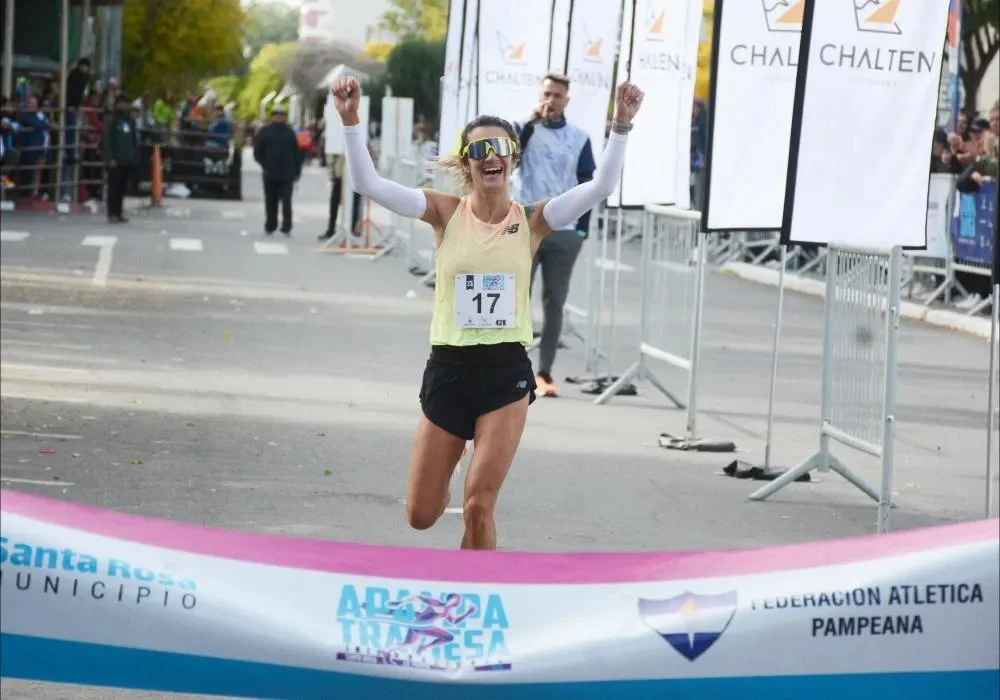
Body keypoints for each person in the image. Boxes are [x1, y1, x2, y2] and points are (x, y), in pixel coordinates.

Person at [331, 75, 644, 550]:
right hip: (449, 369)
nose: (490, 157)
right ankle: (454, 449)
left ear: (514, 158)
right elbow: (367, 183)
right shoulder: (444, 212)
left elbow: (600, 184)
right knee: (421, 514)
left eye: (499, 147)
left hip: (505, 375)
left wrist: (620, 125)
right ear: (467, 164)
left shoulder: (535, 220)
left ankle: (475, 601)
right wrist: (351, 121)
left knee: (478, 503)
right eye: (478, 151)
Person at [511, 74, 597, 398]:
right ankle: (513, 366)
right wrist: (529, 126)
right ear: (540, 95)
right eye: (547, 93)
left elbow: (588, 183)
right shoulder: (522, 130)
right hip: (526, 226)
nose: (552, 100)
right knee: (518, 297)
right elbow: (507, 162)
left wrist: (583, 229)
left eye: (558, 95)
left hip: (563, 232)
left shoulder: (579, 138)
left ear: (567, 100)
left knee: (554, 301)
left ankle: (544, 371)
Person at [253, 103, 303, 236]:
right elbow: (257, 152)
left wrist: (297, 171)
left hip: (287, 173)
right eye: (277, 114)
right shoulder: (265, 131)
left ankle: (287, 226)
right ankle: (270, 224)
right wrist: (265, 165)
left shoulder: (290, 132)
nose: (279, 117)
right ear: (272, 116)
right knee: (270, 201)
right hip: (270, 172)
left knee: (286, 201)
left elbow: (297, 152)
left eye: (282, 114)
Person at [102, 93, 139, 223]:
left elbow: (134, 139)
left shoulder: (130, 120)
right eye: (122, 103)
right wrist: (110, 157)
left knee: (122, 187)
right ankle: (112, 212)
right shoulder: (112, 119)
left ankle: (118, 212)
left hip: (126, 158)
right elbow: (107, 140)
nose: (125, 106)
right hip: (115, 159)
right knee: (114, 187)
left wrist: (134, 155)